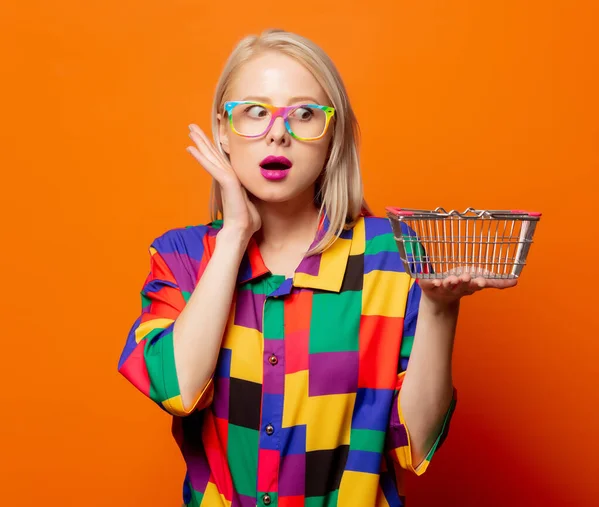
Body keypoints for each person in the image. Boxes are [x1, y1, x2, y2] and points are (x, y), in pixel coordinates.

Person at [117, 28, 517, 507]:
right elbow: (176, 391)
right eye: (255, 111)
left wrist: (439, 309)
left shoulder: (391, 255)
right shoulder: (182, 257)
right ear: (223, 131)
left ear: (332, 137)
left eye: (305, 113)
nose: (278, 132)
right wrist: (235, 234)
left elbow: (417, 446)